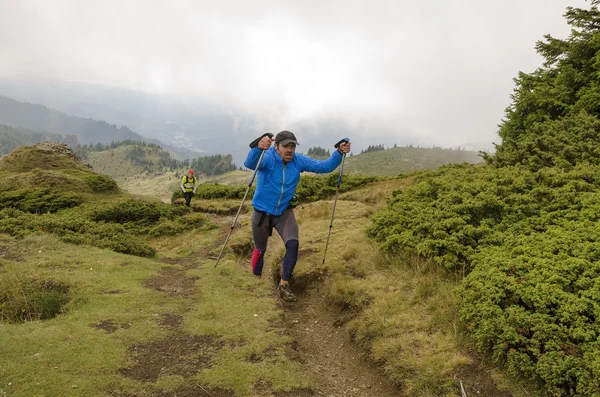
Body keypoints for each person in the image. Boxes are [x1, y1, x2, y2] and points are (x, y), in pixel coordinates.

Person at [244, 130, 351, 302]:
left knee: (293, 244)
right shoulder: (269, 157)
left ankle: (284, 285)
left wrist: (339, 152)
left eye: (292, 146)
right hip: (262, 213)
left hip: (284, 212)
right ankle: (255, 283)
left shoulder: (298, 160)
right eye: (286, 146)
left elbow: (325, 167)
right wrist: (258, 148)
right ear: (276, 146)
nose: (290, 150)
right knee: (260, 249)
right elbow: (250, 163)